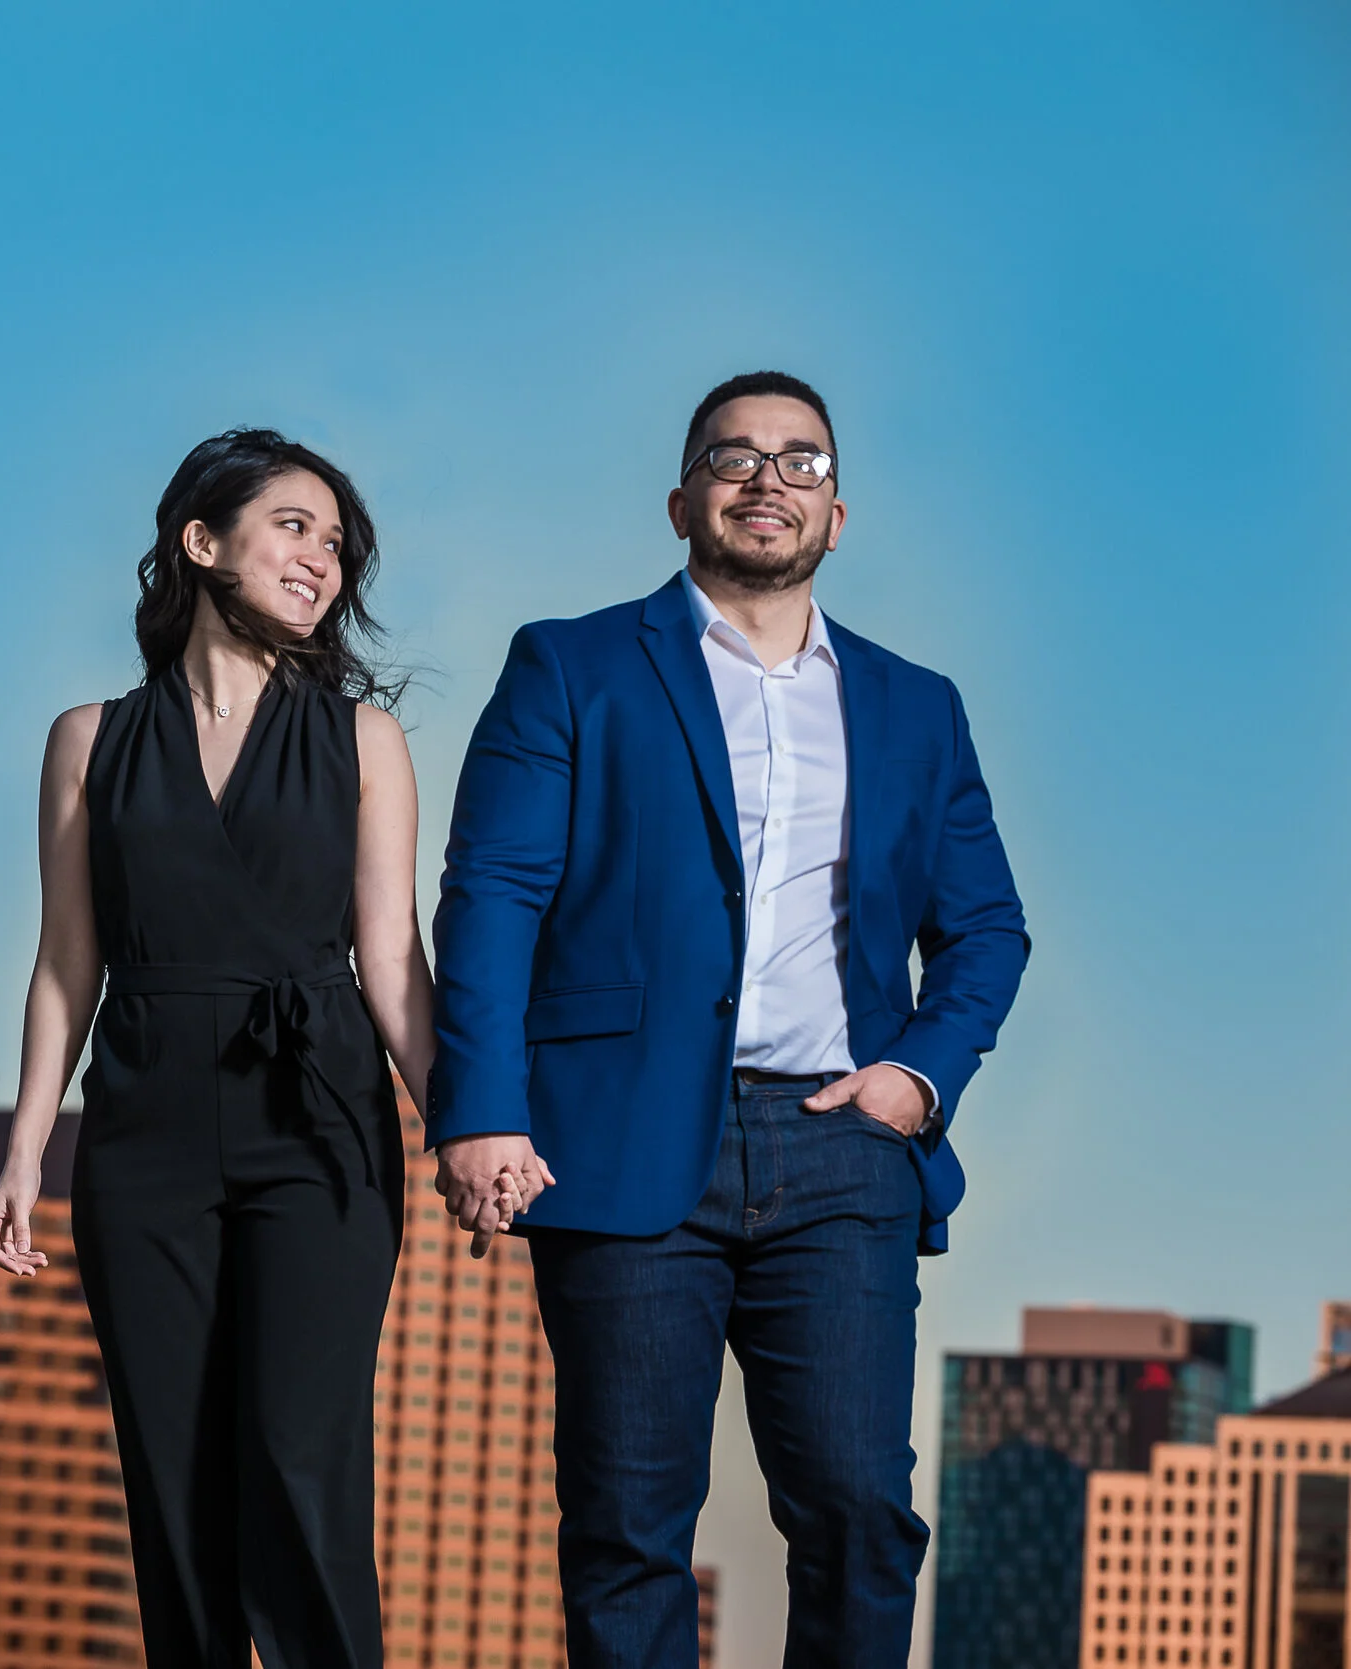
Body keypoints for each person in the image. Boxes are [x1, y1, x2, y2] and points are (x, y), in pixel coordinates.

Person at [427, 372, 1030, 1667]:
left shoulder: (915, 705)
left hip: (842, 1146)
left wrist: (918, 1079)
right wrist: (479, 1112)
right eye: (735, 456)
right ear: (683, 497)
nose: (769, 479)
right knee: (629, 1521)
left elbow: (985, 926)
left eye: (799, 460)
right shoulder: (572, 664)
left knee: (862, 1511)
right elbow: (492, 895)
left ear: (839, 510)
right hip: (624, 1140)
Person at [0, 429, 521, 1669]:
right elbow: (68, 957)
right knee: (169, 1470)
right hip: (143, 1123)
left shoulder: (361, 742)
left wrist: (460, 1127)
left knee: (297, 1451)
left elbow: (390, 958)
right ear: (201, 540)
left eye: (336, 543)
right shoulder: (88, 740)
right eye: (294, 526)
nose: (321, 558)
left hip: (316, 1113)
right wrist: (25, 1149)